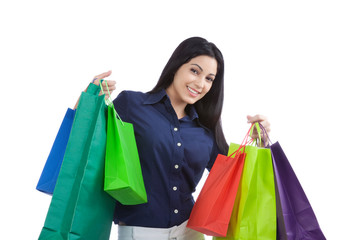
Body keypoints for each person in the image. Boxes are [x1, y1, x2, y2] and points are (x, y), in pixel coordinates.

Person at [79, 37, 270, 240]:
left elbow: (234, 180)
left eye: (209, 79)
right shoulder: (131, 105)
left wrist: (261, 144)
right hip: (140, 233)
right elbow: (84, 146)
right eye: (195, 71)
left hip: (190, 232)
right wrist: (87, 101)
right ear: (176, 66)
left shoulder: (206, 129)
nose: (200, 83)